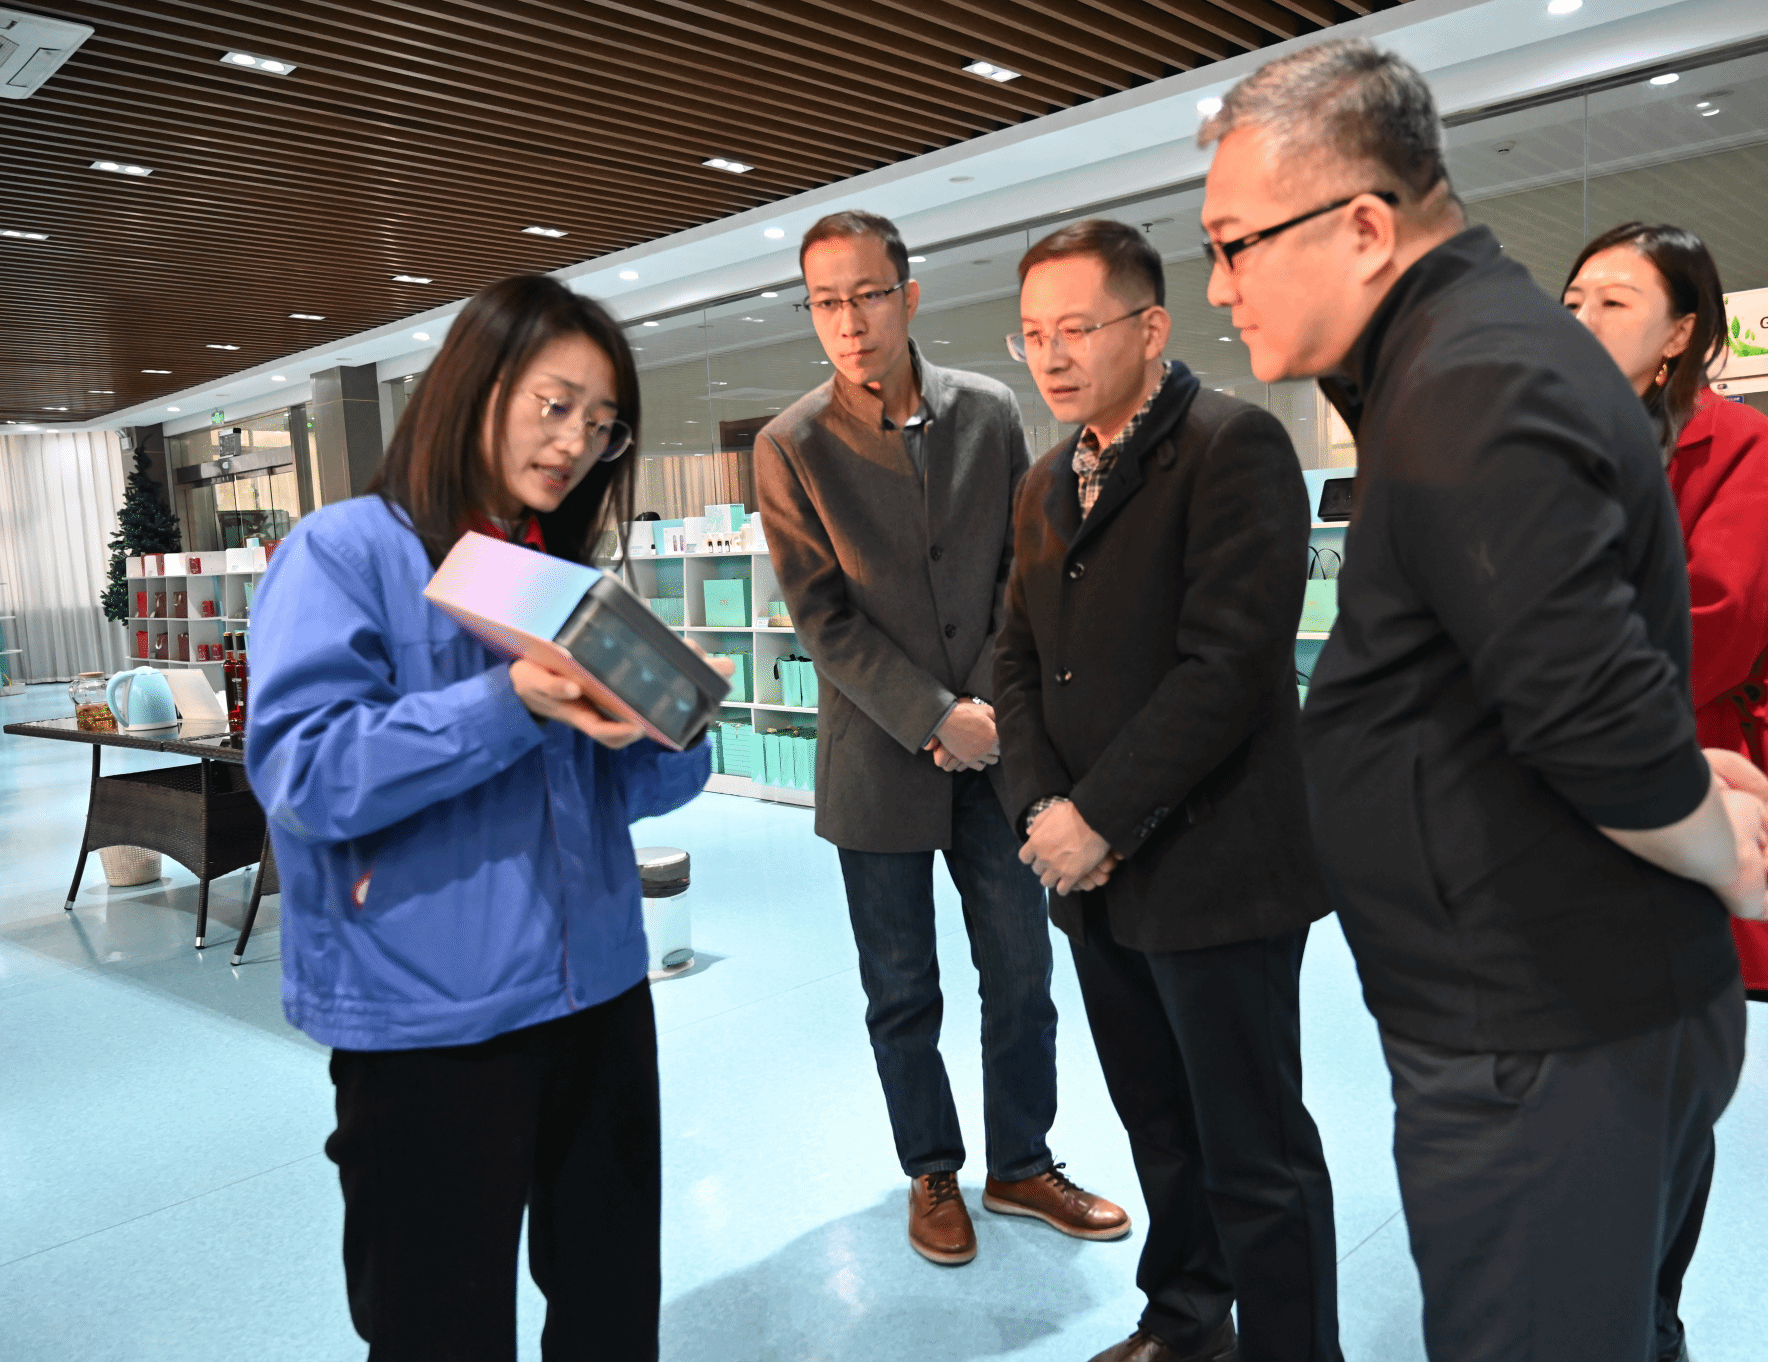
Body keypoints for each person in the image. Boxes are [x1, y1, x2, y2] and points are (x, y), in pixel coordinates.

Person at [1198, 41, 1768, 1362]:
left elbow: (1588, 708)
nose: (1220, 285)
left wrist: (1710, 837)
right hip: (1541, 1011)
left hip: (1545, 1033)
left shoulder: (1470, 378)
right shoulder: (1456, 361)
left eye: (1236, 245)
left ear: (1364, 228)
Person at [246, 274, 730, 1360]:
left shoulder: (555, 575)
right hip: (429, 1019)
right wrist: (506, 701)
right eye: (555, 405)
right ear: (475, 384)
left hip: (599, 991)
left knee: (611, 1305)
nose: (575, 443)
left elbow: (621, 796)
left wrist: (667, 726)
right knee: (440, 1325)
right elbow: (305, 774)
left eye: (601, 426)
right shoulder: (346, 552)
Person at [995, 220, 1341, 1362]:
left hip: (1215, 866)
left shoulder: (1232, 445)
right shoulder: (1044, 479)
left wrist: (1097, 817)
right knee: (1157, 1123)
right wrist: (1042, 813)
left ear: (1150, 328)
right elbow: (1014, 662)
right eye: (1032, 335)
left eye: (1076, 328)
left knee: (1253, 1143)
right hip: (1092, 881)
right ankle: (1188, 1321)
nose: (1051, 356)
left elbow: (1228, 665)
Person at [754, 210, 1126, 1267]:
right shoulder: (790, 445)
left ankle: (1022, 1164)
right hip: (877, 760)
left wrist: (986, 713)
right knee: (901, 987)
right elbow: (821, 617)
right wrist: (932, 716)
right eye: (825, 302)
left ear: (907, 297)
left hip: (997, 752)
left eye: (866, 295)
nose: (848, 322)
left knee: (1021, 971)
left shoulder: (988, 411)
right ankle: (932, 1171)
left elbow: (1022, 569)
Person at [1565, 222, 1768, 1362]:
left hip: (1683, 793)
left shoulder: (1733, 443)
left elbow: (1718, 619)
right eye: (1570, 299)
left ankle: (1645, 1328)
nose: (1579, 320)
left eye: (1611, 302)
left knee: (1661, 1094)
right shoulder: (1539, 444)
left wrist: (1547, 691)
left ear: (1678, 335)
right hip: (1546, 813)